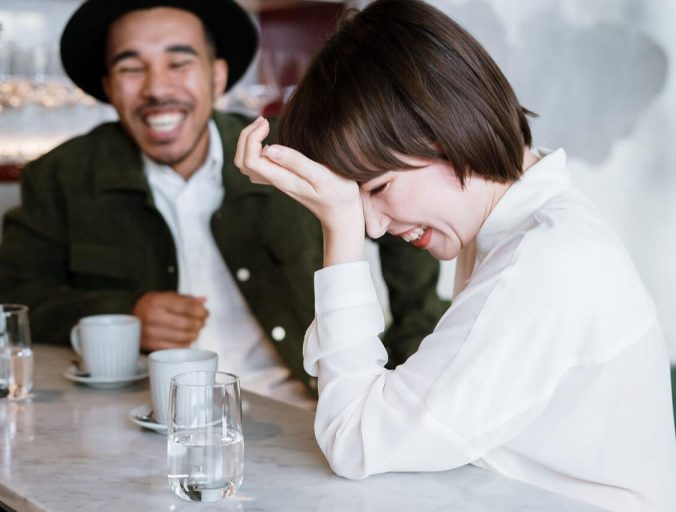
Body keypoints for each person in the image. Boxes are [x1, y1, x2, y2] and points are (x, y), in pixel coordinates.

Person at [235, 0, 676, 509]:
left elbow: (353, 440)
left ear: (442, 130)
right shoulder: (516, 232)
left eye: (377, 188)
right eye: (356, 202)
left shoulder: (544, 264)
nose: (374, 225)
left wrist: (339, 228)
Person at [0, 0, 446, 407]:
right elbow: (16, 301)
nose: (158, 88)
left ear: (216, 76)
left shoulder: (296, 150)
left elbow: (404, 239)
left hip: (306, 414)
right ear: (108, 87)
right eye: (131, 68)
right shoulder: (60, 176)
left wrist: (405, 382)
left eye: (179, 62)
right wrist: (126, 310)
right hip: (149, 426)